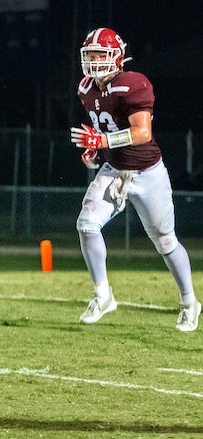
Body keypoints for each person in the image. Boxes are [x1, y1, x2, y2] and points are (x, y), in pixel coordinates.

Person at [70, 28, 200, 331]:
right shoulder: (85, 88)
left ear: (116, 56)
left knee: (165, 241)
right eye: (89, 55)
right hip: (114, 170)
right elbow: (104, 130)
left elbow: (143, 133)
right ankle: (103, 295)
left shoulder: (133, 83)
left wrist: (101, 142)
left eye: (100, 55)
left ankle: (189, 301)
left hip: (147, 172)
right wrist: (94, 151)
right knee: (86, 225)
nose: (93, 61)